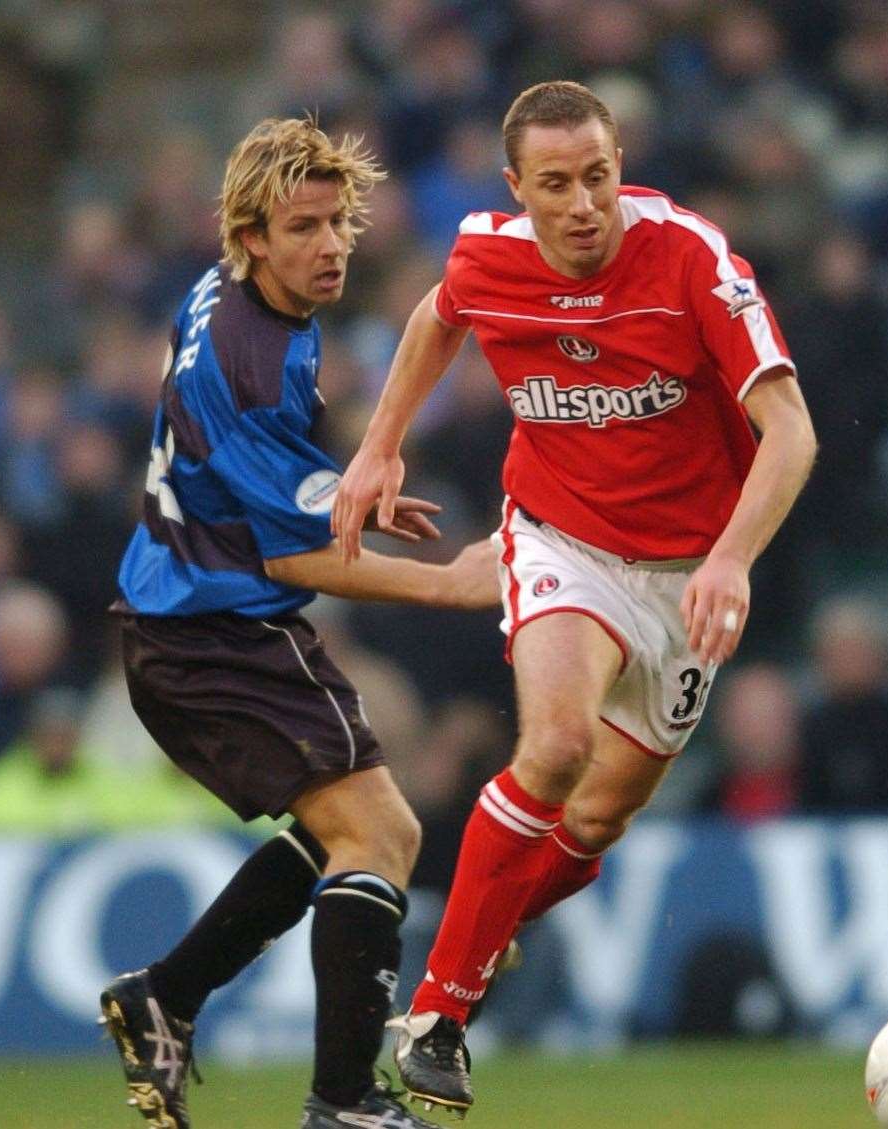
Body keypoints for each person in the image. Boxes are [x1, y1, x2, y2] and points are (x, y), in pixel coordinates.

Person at [332, 80, 818, 1114]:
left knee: (594, 820)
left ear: (619, 164)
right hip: (560, 539)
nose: (585, 203)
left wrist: (730, 559)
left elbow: (793, 432)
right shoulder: (486, 252)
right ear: (519, 188)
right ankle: (439, 1012)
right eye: (556, 184)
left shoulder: (690, 257)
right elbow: (436, 314)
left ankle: (479, 931)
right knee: (553, 748)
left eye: (598, 175)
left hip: (691, 569)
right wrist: (379, 446)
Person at [99, 116, 496, 1129]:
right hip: (217, 630)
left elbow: (259, 486)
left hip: (178, 613)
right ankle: (344, 1100)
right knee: (384, 831)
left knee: (344, 837)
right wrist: (450, 580)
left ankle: (167, 996)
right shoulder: (250, 356)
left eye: (338, 223)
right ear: (251, 236)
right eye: (303, 227)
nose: (329, 246)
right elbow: (290, 557)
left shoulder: (234, 295)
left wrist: (335, 491)